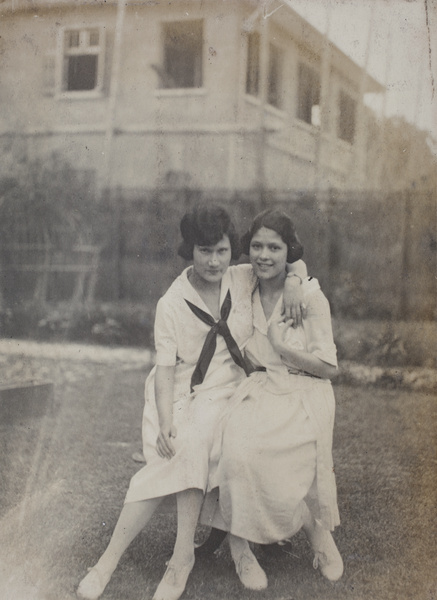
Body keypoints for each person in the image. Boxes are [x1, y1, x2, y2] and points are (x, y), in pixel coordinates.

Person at [77, 205, 306, 600]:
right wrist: (166, 419)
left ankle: (195, 556)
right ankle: (114, 564)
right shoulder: (171, 303)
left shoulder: (242, 277)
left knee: (216, 441)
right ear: (189, 250)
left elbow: (290, 264)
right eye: (204, 251)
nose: (214, 261)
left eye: (220, 251)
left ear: (230, 250)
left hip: (232, 388)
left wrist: (295, 284)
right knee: (185, 443)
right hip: (182, 393)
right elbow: (164, 371)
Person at [201, 209, 343, 591]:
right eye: (257, 246)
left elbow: (330, 368)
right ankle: (240, 549)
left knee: (283, 464)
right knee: (236, 450)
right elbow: (201, 271)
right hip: (262, 387)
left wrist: (282, 346)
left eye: (275, 248)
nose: (264, 255)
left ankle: (317, 532)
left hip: (304, 393)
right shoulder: (242, 279)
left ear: (288, 251)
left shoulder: (309, 296)